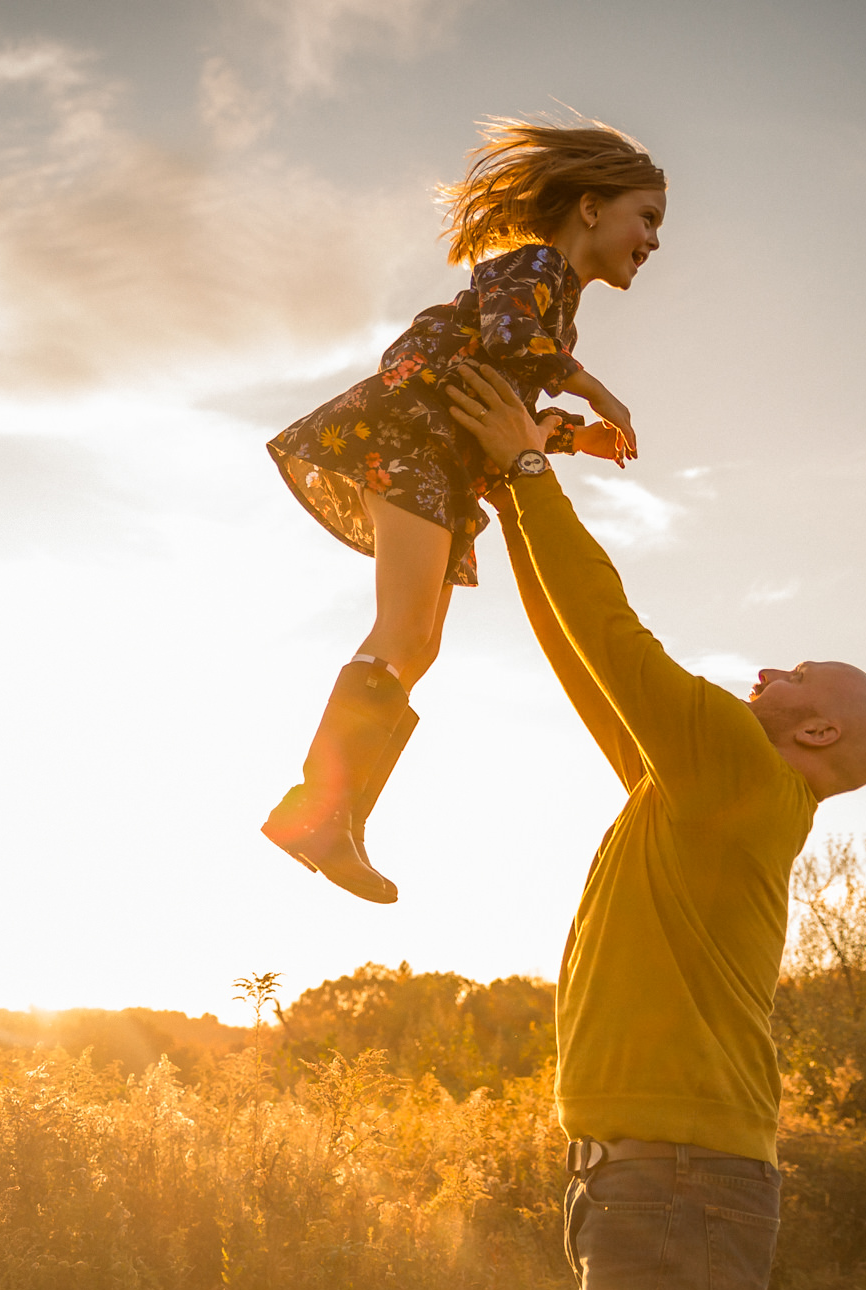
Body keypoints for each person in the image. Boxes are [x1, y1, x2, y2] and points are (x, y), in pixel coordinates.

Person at [443, 357, 866, 1290]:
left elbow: (618, 635)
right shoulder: (705, 787)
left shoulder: (738, 778)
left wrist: (529, 472)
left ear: (814, 735)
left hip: (677, 1186)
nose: (763, 667)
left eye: (792, 671)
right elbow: (588, 660)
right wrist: (501, 488)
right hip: (660, 1181)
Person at [261, 119, 665, 904]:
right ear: (590, 207)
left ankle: (333, 818)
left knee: (420, 647)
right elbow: (513, 341)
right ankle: (315, 811)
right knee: (403, 632)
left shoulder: (560, 307)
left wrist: (577, 439)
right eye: (645, 217)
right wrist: (598, 391)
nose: (653, 239)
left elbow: (510, 396)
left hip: (444, 466)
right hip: (412, 444)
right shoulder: (533, 267)